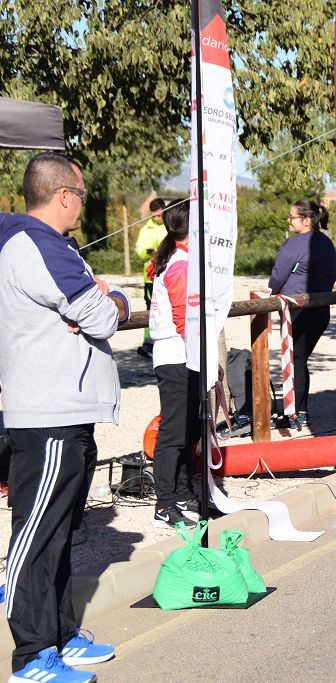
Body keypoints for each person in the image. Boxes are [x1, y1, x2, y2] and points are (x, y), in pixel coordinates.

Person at [0, 153, 129, 681]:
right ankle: (32, 656)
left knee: (58, 533)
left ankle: (59, 637)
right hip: (47, 415)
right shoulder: (40, 243)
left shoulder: (54, 246)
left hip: (69, 413)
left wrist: (100, 301)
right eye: (82, 192)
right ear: (63, 194)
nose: (85, 201)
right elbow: (99, 315)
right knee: (35, 537)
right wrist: (111, 301)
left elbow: (91, 312)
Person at [147, 201, 201, 529]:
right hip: (176, 357)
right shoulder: (179, 265)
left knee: (188, 429)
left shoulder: (178, 259)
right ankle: (164, 505)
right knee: (173, 433)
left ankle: (182, 492)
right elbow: (184, 320)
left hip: (182, 355)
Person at [268, 200, 336, 431]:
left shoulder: (294, 244)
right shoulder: (327, 243)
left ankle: (296, 412)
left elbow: (278, 276)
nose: (289, 221)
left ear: (306, 220)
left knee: (295, 359)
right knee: (300, 358)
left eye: (292, 217)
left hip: (296, 309)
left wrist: (272, 293)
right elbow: (333, 273)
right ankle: (299, 409)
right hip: (321, 308)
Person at [134, 197, 166, 359]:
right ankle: (148, 342)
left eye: (159, 215)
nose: (157, 219)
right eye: (154, 216)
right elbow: (139, 251)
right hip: (150, 276)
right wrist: (147, 251)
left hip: (167, 274)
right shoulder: (145, 230)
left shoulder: (170, 226)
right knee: (150, 307)